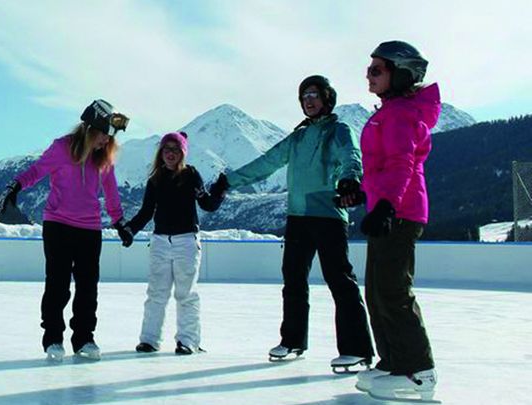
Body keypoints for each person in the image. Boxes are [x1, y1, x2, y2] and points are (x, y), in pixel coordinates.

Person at [212, 75, 375, 369]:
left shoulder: (339, 130)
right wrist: (229, 180)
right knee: (293, 279)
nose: (308, 100)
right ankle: (292, 340)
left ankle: (358, 348)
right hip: (297, 216)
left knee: (339, 279)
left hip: (327, 214)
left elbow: (351, 155)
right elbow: (268, 161)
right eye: (304, 96)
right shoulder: (298, 137)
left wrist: (350, 179)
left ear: (327, 98)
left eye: (314, 94)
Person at [0, 99, 130, 361]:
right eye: (104, 134)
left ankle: (84, 339)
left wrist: (119, 221)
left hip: (90, 229)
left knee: (88, 287)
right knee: (58, 284)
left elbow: (111, 191)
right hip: (58, 225)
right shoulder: (62, 148)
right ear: (90, 128)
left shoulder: (103, 158)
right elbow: (37, 171)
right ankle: (53, 339)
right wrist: (15, 186)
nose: (107, 141)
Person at [352, 41, 439, 402]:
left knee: (392, 291)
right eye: (368, 69)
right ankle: (392, 362)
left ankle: (419, 371)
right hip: (388, 208)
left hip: (400, 212)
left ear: (400, 74)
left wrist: (386, 205)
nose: (368, 75)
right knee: (376, 290)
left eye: (377, 70)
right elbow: (381, 167)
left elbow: (402, 164)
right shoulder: (388, 112)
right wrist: (359, 192)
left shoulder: (401, 114)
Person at [119, 131, 226, 355]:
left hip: (186, 241)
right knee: (156, 292)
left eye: (175, 149)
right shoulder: (155, 180)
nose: (170, 153)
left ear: (182, 153)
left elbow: (206, 203)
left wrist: (218, 191)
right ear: (161, 153)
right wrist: (130, 229)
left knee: (186, 293)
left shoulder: (191, 175)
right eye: (166, 149)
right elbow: (146, 212)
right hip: (159, 242)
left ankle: (188, 340)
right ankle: (149, 339)